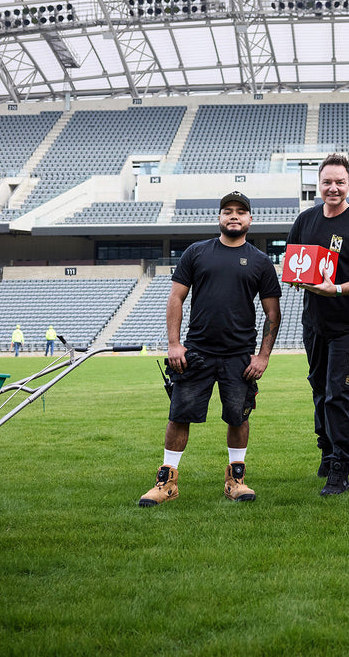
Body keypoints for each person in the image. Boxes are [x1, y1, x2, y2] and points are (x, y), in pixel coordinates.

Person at [139, 191, 281, 507]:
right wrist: (174, 344)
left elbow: (273, 313)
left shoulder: (260, 262)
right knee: (179, 415)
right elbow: (176, 298)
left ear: (250, 220)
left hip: (239, 356)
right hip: (197, 353)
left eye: (240, 212)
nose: (234, 216)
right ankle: (166, 483)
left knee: (238, 418)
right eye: (227, 211)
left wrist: (263, 356)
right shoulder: (197, 252)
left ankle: (236, 480)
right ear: (219, 217)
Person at [286, 152, 349, 495]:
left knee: (338, 394)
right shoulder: (305, 220)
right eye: (327, 182)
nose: (333, 188)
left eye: (339, 182)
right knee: (318, 388)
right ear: (318, 184)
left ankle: (341, 466)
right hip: (313, 321)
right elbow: (296, 264)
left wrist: (338, 288)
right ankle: (326, 451)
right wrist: (296, 278)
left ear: (348, 184)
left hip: (346, 324)